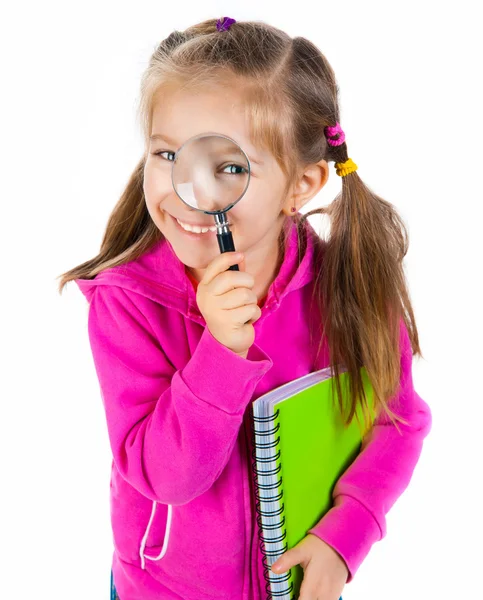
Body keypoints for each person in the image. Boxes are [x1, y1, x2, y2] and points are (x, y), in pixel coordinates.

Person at [57, 16, 432, 600]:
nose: (191, 189)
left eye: (228, 167)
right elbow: (165, 477)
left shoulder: (350, 284)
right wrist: (221, 354)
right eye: (166, 154)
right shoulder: (127, 302)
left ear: (301, 185)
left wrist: (345, 537)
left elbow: (397, 420)